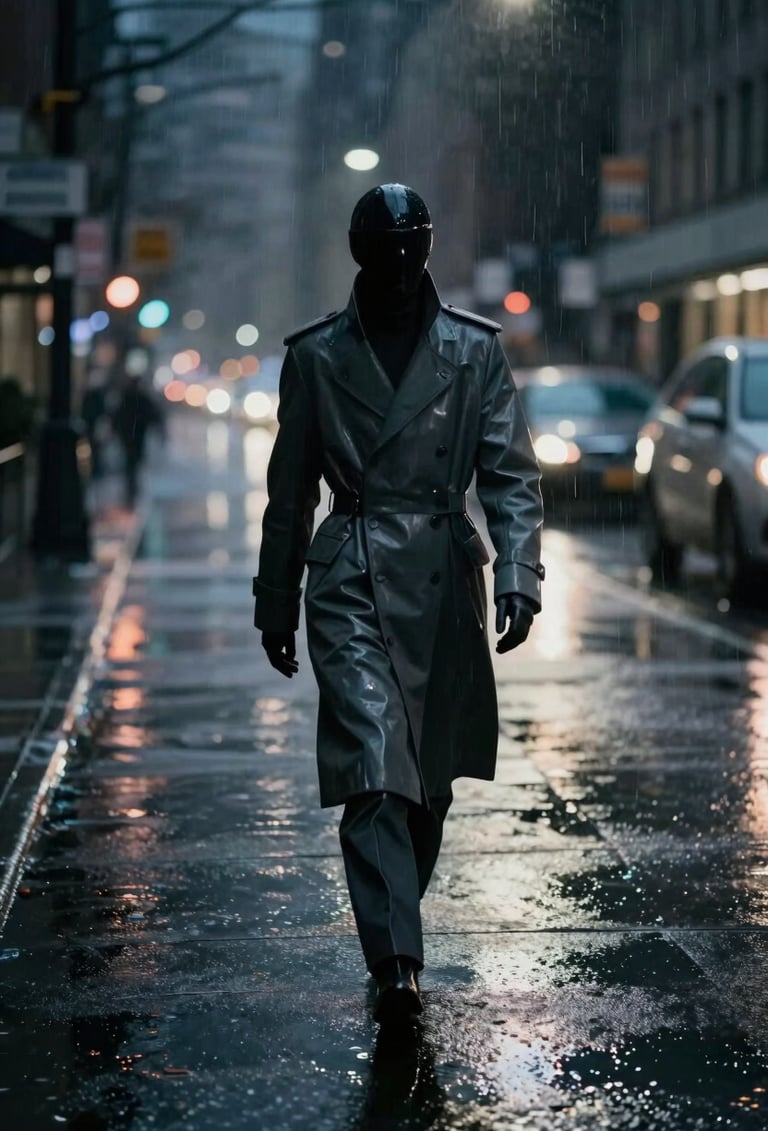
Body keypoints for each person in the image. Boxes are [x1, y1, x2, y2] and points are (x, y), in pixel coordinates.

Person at [253, 184, 544, 1026]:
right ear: (360, 253)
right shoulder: (316, 356)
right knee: (376, 769)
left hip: (445, 576)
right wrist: (276, 599)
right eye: (385, 249)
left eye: (413, 245)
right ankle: (396, 965)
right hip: (351, 573)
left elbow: (511, 475)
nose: (401, 262)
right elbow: (288, 492)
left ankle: (394, 923)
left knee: (428, 784)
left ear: (427, 249)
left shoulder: (473, 350)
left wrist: (520, 571)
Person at [111, 374, 163, 507]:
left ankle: (132, 487)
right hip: (132, 436)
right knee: (132, 462)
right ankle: (132, 487)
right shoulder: (134, 398)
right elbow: (153, 414)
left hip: (133, 435)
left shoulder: (131, 398)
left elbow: (152, 414)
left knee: (132, 462)